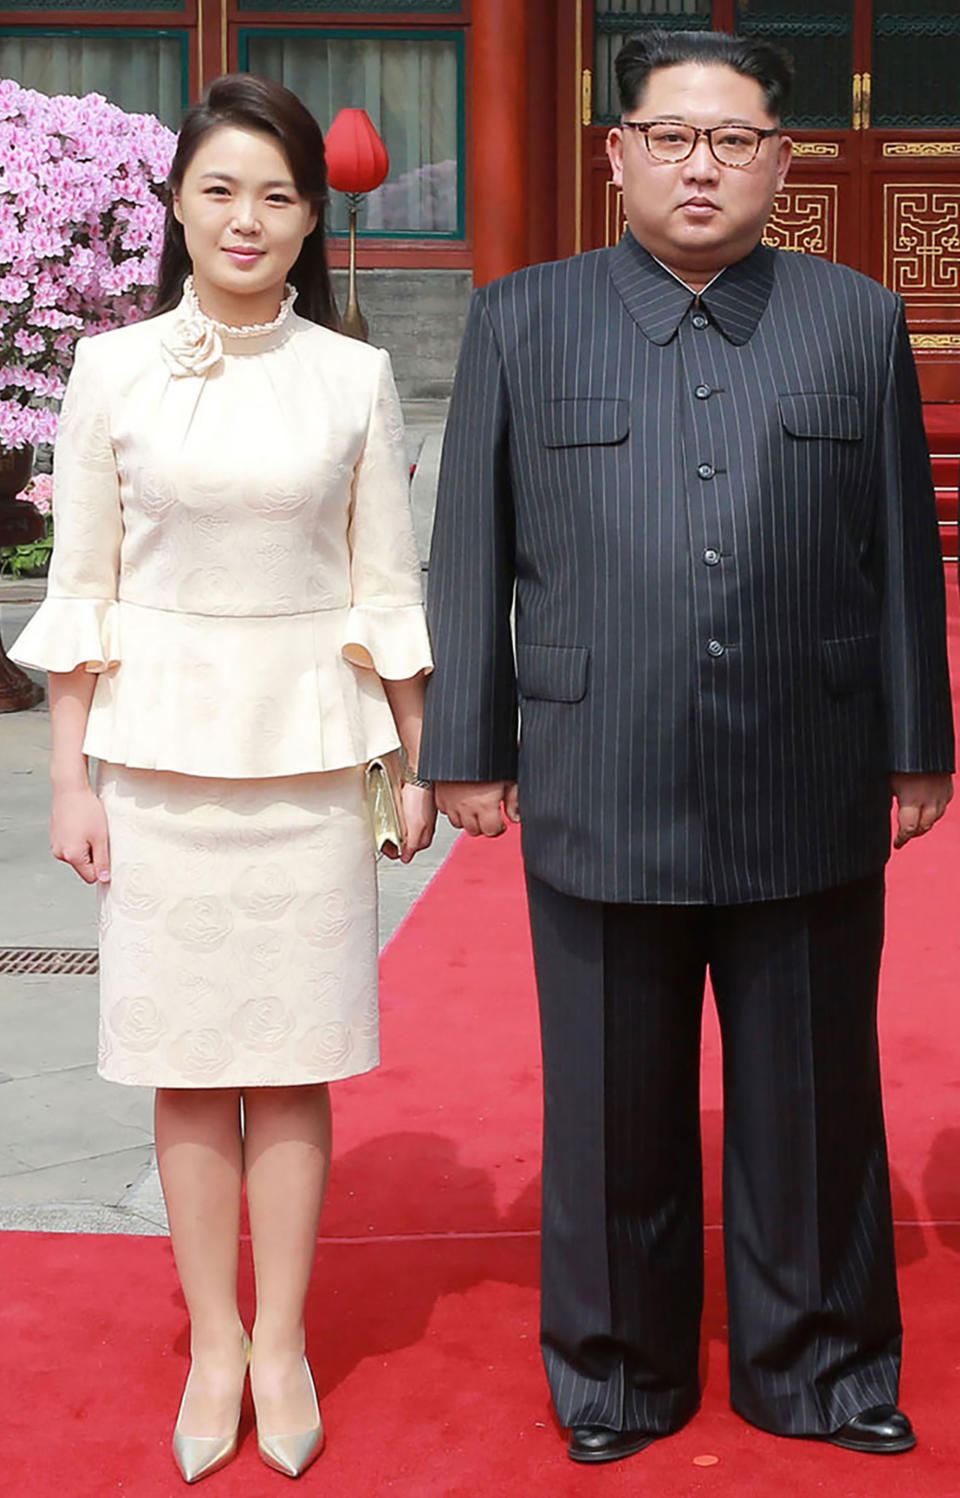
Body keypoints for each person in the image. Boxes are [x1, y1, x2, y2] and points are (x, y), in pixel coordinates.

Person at [419, 29, 954, 1465]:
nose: (700, 164)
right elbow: (471, 552)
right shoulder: (525, 321)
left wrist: (922, 746)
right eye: (671, 135)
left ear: (784, 160)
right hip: (605, 771)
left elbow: (902, 548)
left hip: (811, 766)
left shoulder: (854, 319)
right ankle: (614, 1373)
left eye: (733, 139)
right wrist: (464, 746)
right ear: (617, 155)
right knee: (608, 1106)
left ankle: (824, 1366)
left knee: (813, 1096)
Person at [10, 74, 436, 1484]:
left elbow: (387, 584)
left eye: (277, 194)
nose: (247, 220)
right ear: (177, 205)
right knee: (187, 1067)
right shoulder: (113, 370)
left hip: (311, 755)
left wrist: (416, 761)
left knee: (293, 1058)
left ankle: (285, 1339)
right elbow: (84, 588)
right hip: (155, 760)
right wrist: (71, 778)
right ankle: (210, 1336)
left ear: (313, 215)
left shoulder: (353, 375)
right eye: (220, 191)